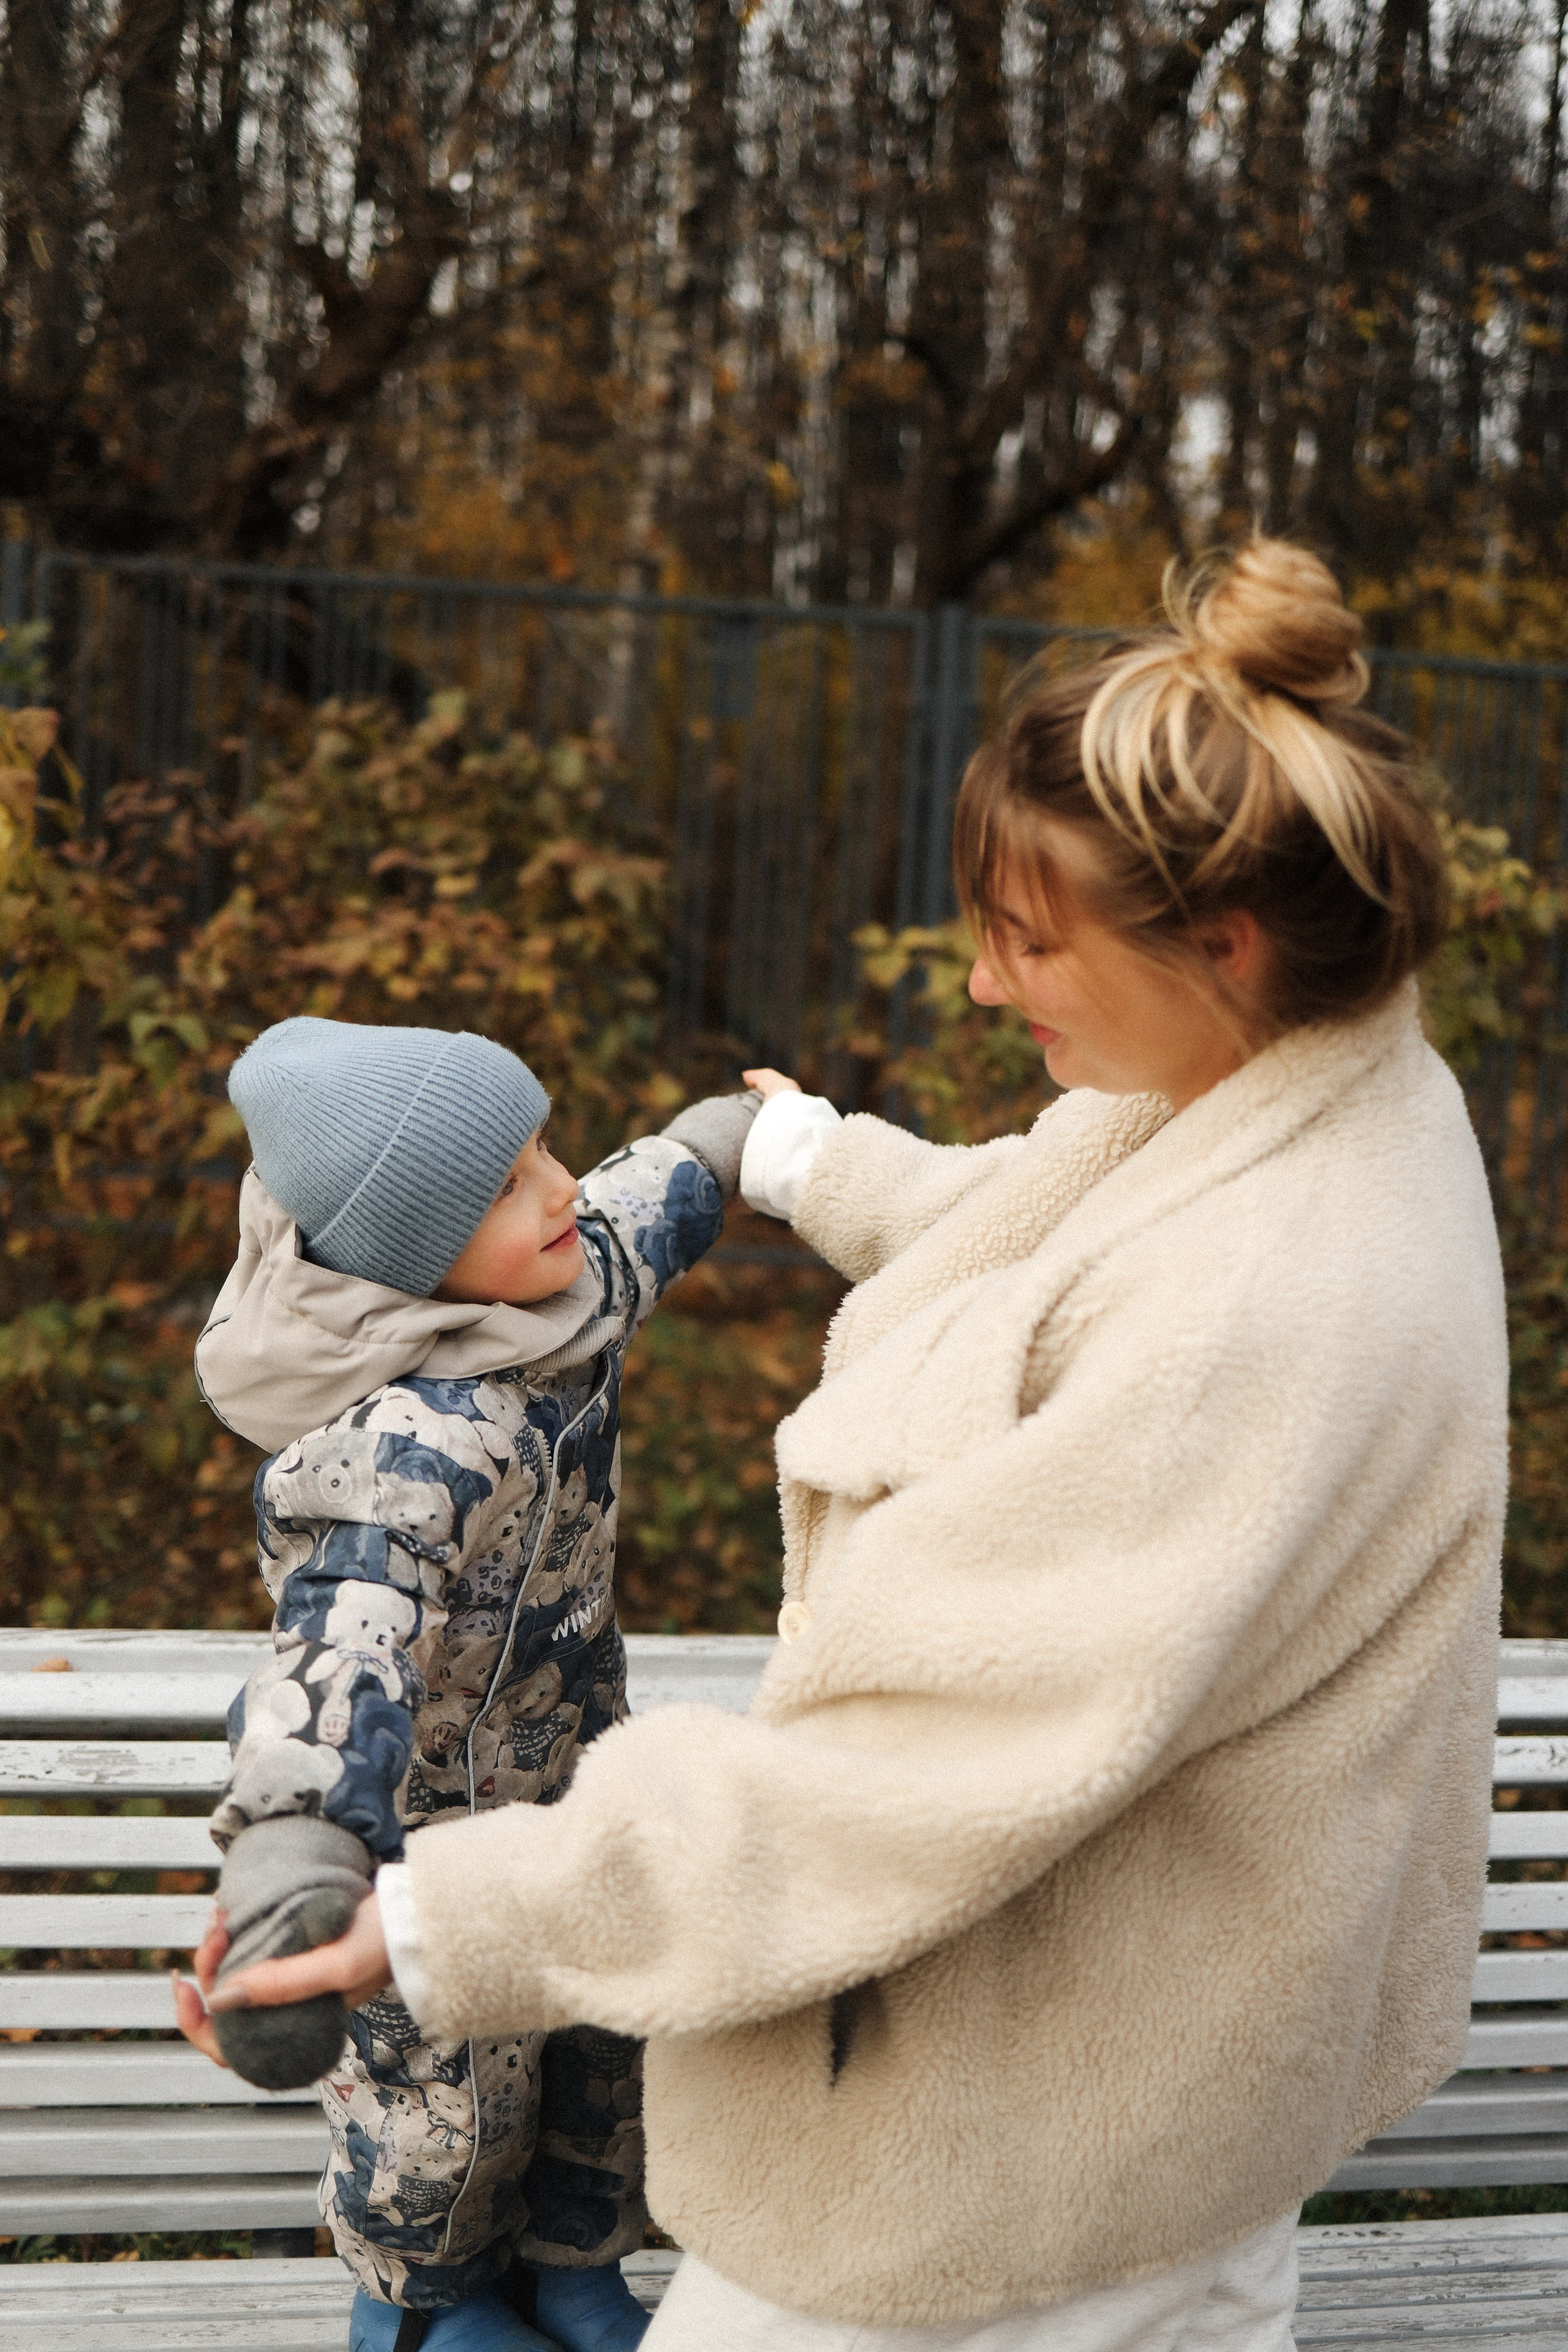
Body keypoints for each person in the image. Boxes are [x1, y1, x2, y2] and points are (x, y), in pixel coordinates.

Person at [187, 542, 1508, 2352]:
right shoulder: (1325, 1098)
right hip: (1132, 2109)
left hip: (1011, 2183)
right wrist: (796, 1157)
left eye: (1029, 941)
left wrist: (434, 1924)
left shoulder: (1259, 1313)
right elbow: (1055, 1226)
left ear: (1224, 941)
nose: (981, 988)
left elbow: (895, 1782)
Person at [177, 1015, 773, 2352]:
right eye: (508, 1181)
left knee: (594, 2047)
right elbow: (337, 1649)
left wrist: (742, 1141)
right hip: (421, 1849)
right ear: (409, 1253)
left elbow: (645, 1200)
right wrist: (299, 1844)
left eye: (542, 1145)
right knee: (441, 2102)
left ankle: (573, 2267)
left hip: (572, 1788)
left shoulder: (554, 1280)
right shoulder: (394, 1447)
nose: (557, 1183)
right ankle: (422, 2317)